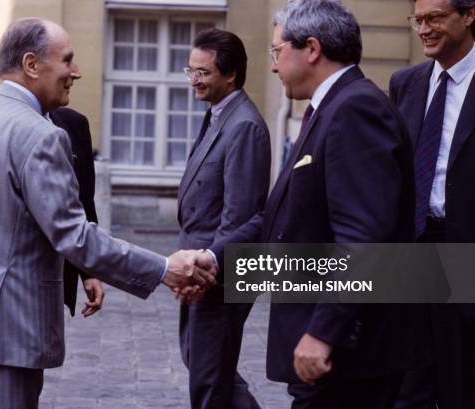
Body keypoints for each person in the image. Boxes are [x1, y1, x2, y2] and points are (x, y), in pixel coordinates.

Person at [0, 18, 215, 409]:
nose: (76, 72)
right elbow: (74, 236)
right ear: (32, 65)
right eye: (67, 60)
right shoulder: (40, 135)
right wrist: (164, 268)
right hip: (0, 332)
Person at [191, 0, 418, 407]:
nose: (274, 66)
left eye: (278, 52)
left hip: (348, 356)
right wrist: (215, 256)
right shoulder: (329, 109)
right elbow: (283, 215)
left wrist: (324, 332)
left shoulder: (355, 110)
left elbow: (363, 241)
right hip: (331, 354)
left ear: (311, 49)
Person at [177, 28, 270, 409]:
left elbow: (240, 217)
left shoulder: (244, 125)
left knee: (209, 381)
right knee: (206, 369)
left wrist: (207, 273)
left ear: (230, 75)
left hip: (218, 275)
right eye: (191, 71)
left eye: (203, 72)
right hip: (198, 268)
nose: (194, 80)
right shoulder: (219, 115)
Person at [389, 1, 474, 408]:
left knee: (461, 384)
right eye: (418, 20)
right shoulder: (404, 83)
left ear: (469, 15)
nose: (423, 29)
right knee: (409, 387)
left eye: (434, 18)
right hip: (412, 247)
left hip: (465, 254)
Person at [49, 107, 104, 318]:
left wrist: (89, 271)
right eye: (66, 69)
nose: (75, 73)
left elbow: (84, 204)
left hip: (60, 270)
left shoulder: (74, 122)